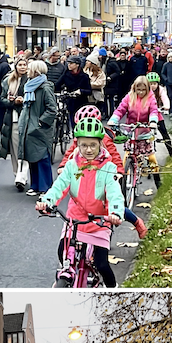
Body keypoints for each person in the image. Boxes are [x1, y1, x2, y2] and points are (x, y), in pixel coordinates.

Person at [38, 118, 125, 287]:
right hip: (75, 221)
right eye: (84, 145)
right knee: (62, 253)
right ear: (77, 144)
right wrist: (46, 202)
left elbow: (115, 193)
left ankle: (114, 292)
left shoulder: (108, 168)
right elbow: (59, 186)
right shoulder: (72, 166)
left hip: (99, 222)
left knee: (102, 264)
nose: (88, 149)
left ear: (100, 144)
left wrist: (115, 212)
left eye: (93, 145)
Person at [17, 60, 60, 196]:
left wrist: (40, 122)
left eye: (29, 68)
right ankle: (35, 185)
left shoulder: (45, 88)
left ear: (36, 71)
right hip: (29, 127)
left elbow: (52, 109)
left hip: (39, 129)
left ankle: (45, 187)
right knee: (32, 157)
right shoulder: (30, 86)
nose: (27, 70)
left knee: (42, 158)